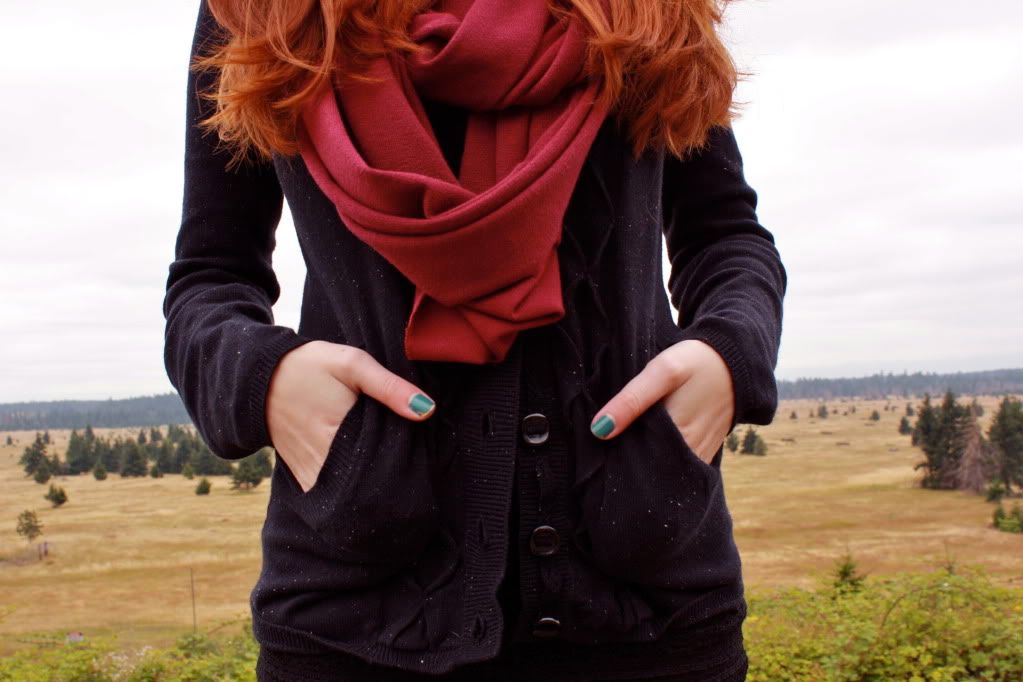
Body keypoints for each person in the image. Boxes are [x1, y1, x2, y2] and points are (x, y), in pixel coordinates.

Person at [163, 0, 787, 680]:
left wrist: (728, 356)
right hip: (354, 610)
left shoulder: (645, 6)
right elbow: (211, 276)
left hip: (647, 597)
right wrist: (266, 379)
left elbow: (723, 236)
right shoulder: (264, 8)